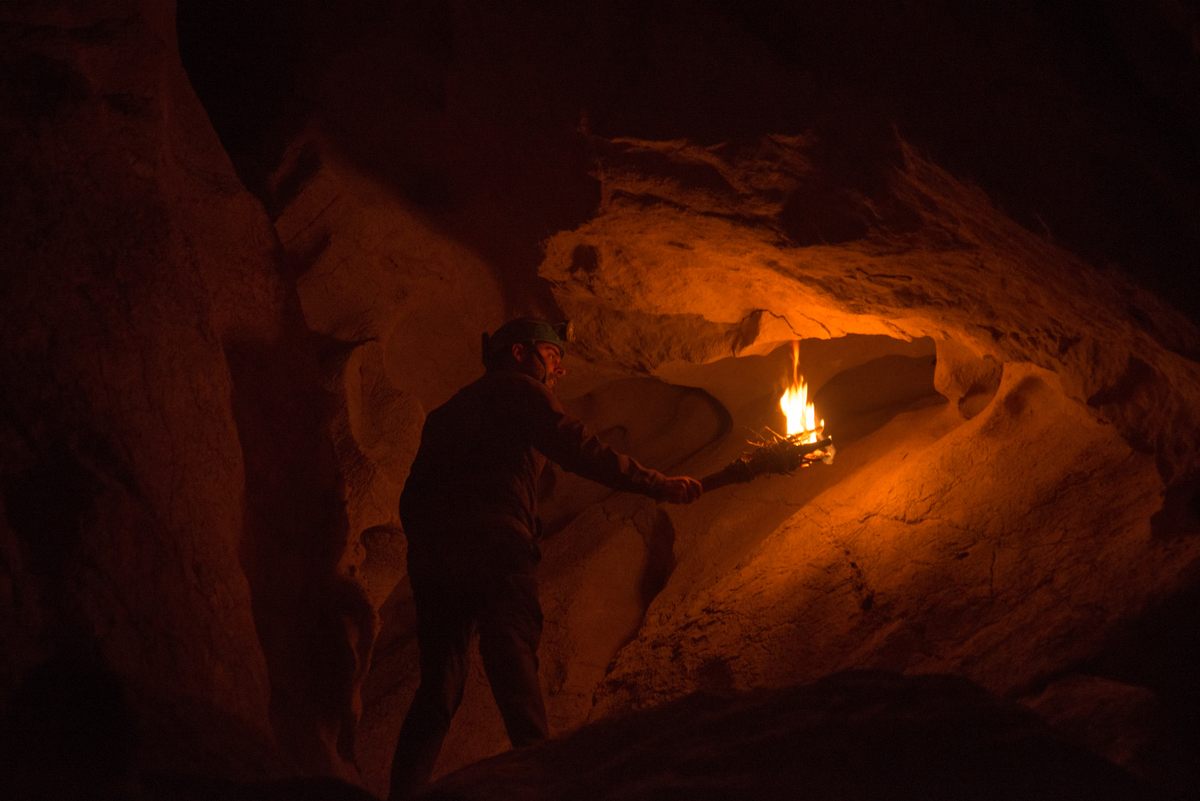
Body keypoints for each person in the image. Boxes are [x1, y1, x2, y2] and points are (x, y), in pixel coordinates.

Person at [388, 317, 702, 799]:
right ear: (519, 353)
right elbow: (579, 448)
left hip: (436, 558)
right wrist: (657, 483)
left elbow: (411, 498)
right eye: (552, 357)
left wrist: (431, 547)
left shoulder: (445, 414)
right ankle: (544, 780)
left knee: (440, 683)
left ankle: (403, 794)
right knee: (512, 653)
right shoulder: (518, 390)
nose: (557, 372)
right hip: (496, 542)